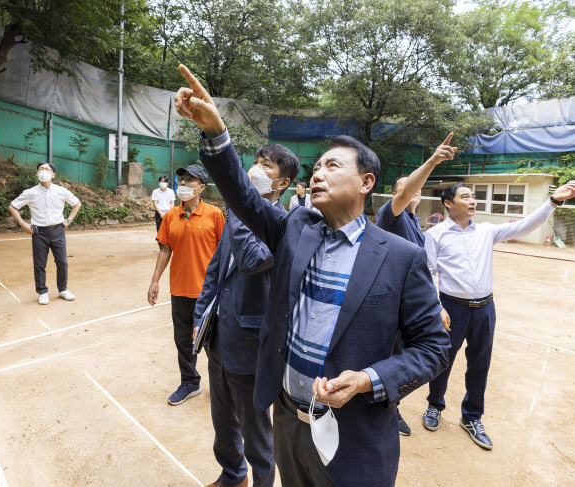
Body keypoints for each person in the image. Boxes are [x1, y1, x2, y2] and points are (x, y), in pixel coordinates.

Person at [174, 64, 449, 487]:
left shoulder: (401, 257)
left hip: (354, 432)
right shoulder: (296, 228)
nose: (318, 172)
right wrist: (215, 131)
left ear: (366, 182)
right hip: (288, 418)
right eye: (316, 166)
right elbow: (243, 196)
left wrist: (367, 380)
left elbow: (433, 347)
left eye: (332, 166)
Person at [422, 180, 575, 450]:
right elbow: (427, 274)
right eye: (466, 196)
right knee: (442, 360)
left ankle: (471, 417)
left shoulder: (487, 232)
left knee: (480, 364)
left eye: (474, 197)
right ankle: (434, 405)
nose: (473, 201)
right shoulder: (435, 235)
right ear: (448, 203)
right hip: (451, 309)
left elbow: (524, 225)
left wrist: (554, 201)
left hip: (485, 309)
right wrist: (438, 307)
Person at [193, 144, 299, 487]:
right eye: (254, 162)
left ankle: (262, 482)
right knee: (222, 421)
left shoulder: (282, 224)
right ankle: (232, 475)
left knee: (256, 433)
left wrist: (240, 206)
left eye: (265, 166)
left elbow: (253, 261)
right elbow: (217, 267)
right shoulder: (236, 216)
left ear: (282, 184)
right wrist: (201, 315)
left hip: (251, 344)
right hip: (219, 335)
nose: (253, 169)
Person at [376, 133, 456, 435]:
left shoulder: (416, 223)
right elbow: (404, 193)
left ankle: (390, 402)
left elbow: (424, 270)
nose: (415, 190)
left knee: (420, 356)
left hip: (412, 302)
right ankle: (388, 409)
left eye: (418, 187)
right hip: (390, 303)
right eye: (408, 187)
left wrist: (435, 304)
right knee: (394, 356)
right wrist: (433, 160)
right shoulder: (391, 217)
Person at [147, 164, 225, 406]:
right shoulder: (171, 215)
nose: (182, 184)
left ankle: (221, 387)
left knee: (214, 342)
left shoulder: (214, 214)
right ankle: (190, 382)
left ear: (201, 188)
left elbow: (225, 254)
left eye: (189, 180)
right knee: (183, 340)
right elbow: (165, 249)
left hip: (209, 292)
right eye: (181, 180)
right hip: (180, 289)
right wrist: (155, 281)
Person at [8, 161, 82, 305]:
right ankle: (42, 292)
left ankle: (63, 290)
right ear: (37, 173)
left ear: (53, 174)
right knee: (39, 263)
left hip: (58, 230)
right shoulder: (30, 193)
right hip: (38, 232)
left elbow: (76, 203)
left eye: (47, 169)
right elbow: (12, 207)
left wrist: (68, 220)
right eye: (41, 169)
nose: (43, 171)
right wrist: (23, 224)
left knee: (62, 262)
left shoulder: (61, 191)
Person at [151, 176, 176, 248]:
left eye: (164, 182)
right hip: (159, 213)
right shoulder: (155, 191)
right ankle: (161, 247)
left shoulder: (171, 192)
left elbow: (172, 203)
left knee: (170, 230)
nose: (162, 183)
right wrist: (161, 213)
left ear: (167, 183)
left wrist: (168, 212)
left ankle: (170, 246)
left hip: (169, 212)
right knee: (160, 230)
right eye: (161, 182)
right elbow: (155, 203)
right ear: (159, 182)